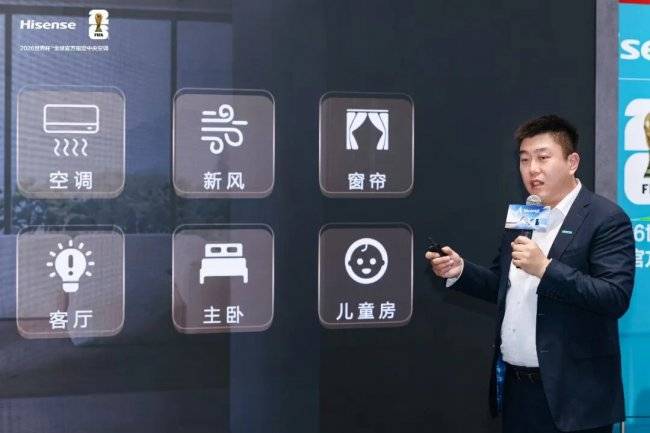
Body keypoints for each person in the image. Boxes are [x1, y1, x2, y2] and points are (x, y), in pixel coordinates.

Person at [425, 115, 635, 433]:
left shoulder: (605, 218)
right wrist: (460, 271)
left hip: (575, 397)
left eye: (543, 157)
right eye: (524, 160)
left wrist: (546, 269)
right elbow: (504, 285)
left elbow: (613, 297)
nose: (532, 169)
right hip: (518, 389)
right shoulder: (525, 214)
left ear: (572, 162)